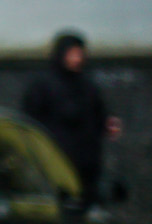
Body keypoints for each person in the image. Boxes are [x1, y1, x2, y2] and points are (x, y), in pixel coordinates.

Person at [21, 30, 110, 202]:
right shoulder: (43, 85)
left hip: (87, 164)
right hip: (55, 162)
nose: (77, 59)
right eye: (72, 54)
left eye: (79, 54)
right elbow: (31, 122)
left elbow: (99, 116)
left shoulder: (87, 86)